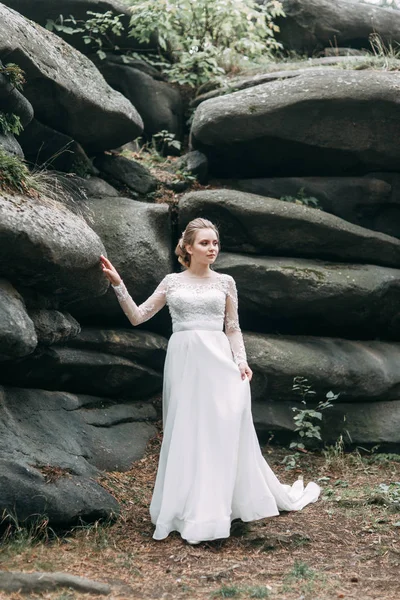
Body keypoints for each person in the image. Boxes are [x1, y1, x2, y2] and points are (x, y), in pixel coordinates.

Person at [100, 218, 320, 545]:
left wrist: (242, 362)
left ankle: (223, 505)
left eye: (215, 243)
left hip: (219, 360)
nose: (212, 249)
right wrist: (119, 284)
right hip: (185, 359)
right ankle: (187, 508)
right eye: (205, 243)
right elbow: (137, 316)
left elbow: (232, 328)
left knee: (222, 427)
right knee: (188, 430)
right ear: (188, 247)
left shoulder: (226, 282)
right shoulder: (172, 282)